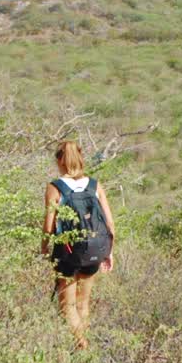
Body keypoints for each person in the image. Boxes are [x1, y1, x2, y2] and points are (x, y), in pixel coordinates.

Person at [40, 140, 116, 349]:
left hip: (68, 252)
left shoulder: (55, 187)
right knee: (83, 303)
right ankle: (83, 344)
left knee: (68, 305)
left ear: (60, 160)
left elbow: (48, 226)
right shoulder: (95, 185)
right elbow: (109, 223)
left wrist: (44, 248)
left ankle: (81, 345)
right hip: (96, 249)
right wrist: (109, 252)